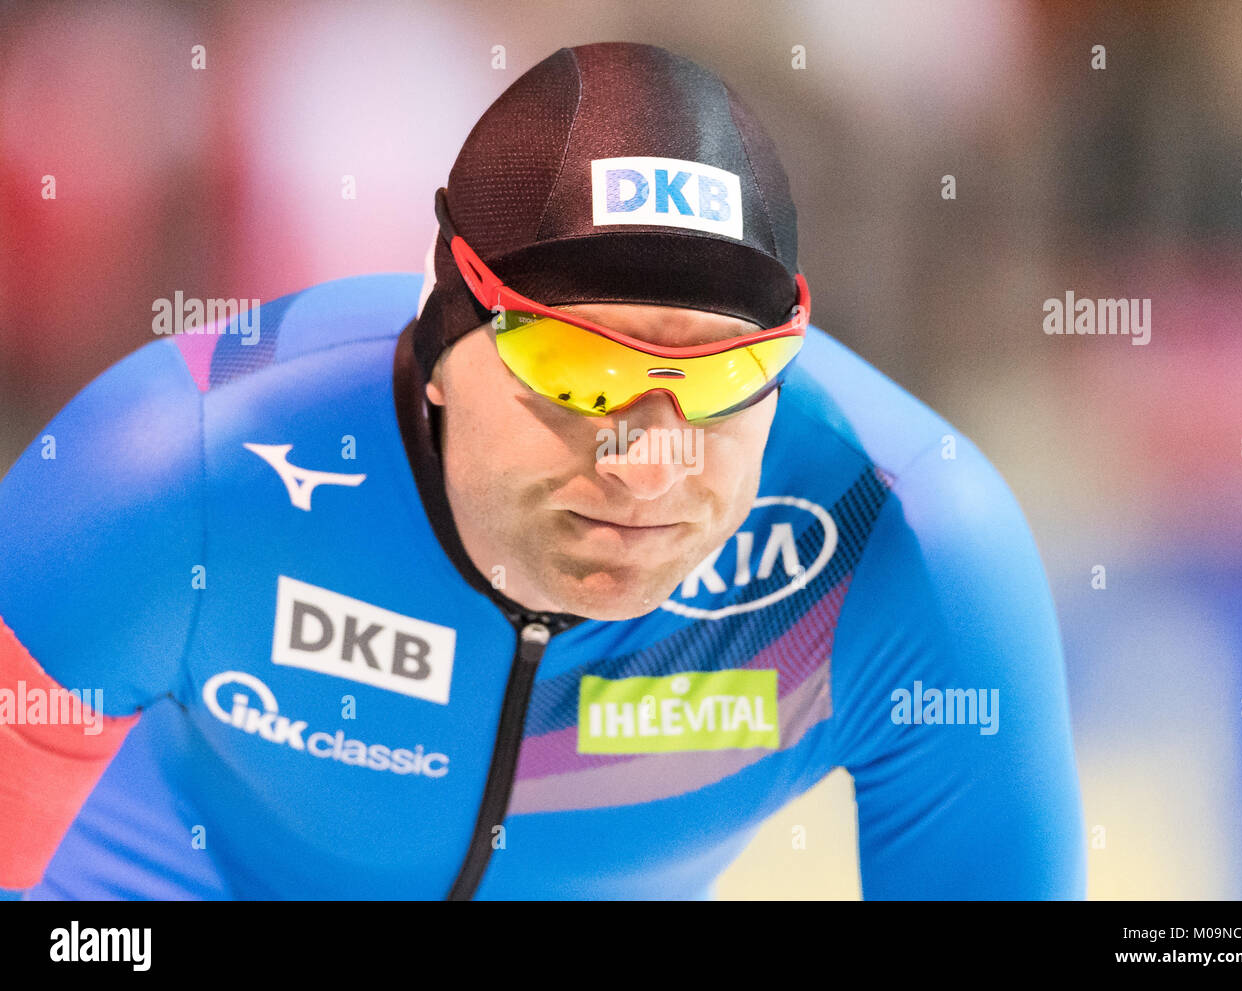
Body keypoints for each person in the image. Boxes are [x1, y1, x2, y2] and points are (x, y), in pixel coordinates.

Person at [0, 42, 1084, 900]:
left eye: (726, 376)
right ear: (441, 338)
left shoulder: (902, 538)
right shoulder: (177, 469)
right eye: (581, 369)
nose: (649, 465)